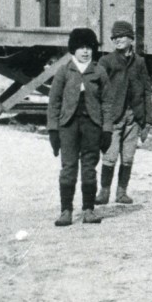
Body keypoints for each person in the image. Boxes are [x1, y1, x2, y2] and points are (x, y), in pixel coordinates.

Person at [47, 28, 111, 227]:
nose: (85, 51)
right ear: (73, 50)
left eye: (89, 47)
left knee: (89, 167)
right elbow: (54, 103)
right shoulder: (64, 71)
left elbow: (107, 103)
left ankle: (89, 209)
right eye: (81, 47)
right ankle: (66, 210)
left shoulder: (99, 71)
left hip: (92, 125)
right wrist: (53, 130)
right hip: (68, 126)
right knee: (69, 167)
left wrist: (107, 129)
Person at [97, 20, 152, 206]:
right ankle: (103, 192)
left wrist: (147, 120)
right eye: (114, 37)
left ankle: (122, 192)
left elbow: (146, 91)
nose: (117, 40)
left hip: (134, 118)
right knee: (110, 157)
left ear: (131, 39)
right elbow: (98, 89)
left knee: (128, 157)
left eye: (121, 36)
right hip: (113, 118)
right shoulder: (106, 61)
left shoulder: (140, 63)